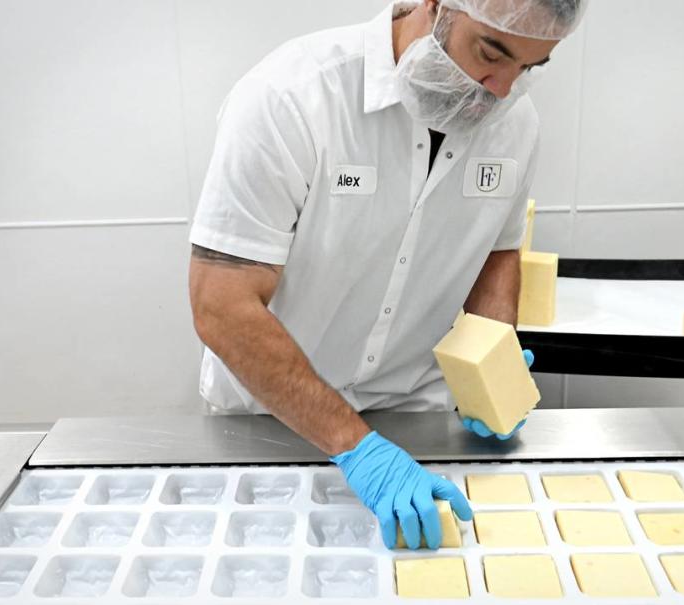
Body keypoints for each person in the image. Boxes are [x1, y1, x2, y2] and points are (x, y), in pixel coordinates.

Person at [188, 0, 587, 550]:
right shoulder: (293, 96)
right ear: (434, 5)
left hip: (416, 419)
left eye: (530, 68)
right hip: (271, 420)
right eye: (491, 53)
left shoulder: (514, 124)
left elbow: (499, 249)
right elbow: (221, 305)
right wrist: (359, 448)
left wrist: (493, 358)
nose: (501, 89)